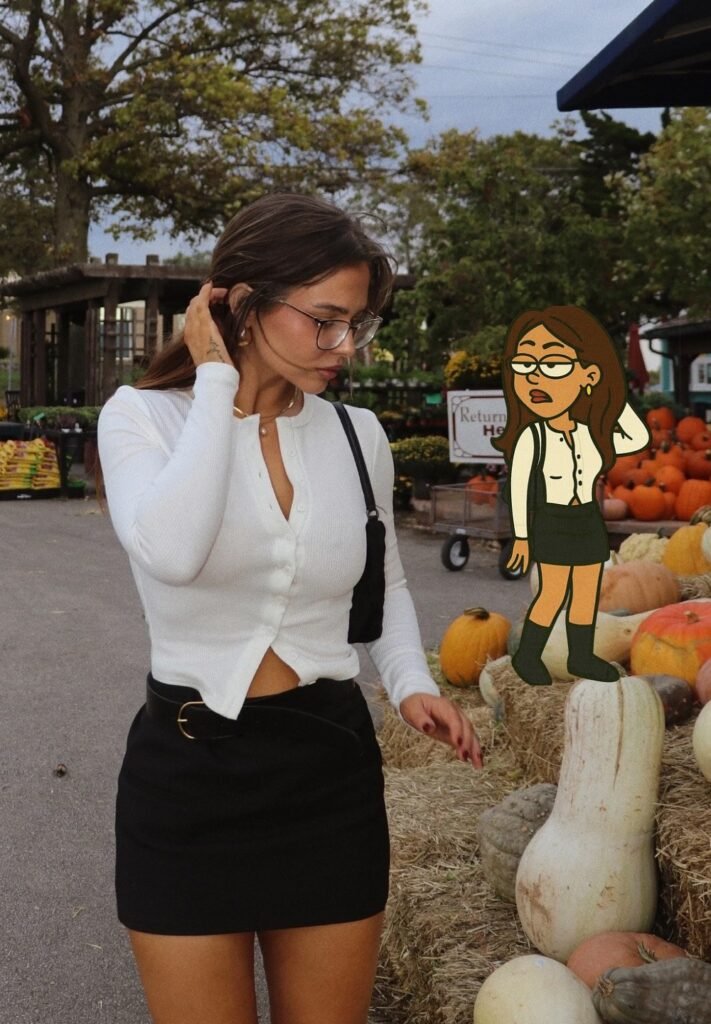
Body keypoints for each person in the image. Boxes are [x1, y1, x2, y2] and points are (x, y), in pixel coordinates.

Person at [97, 192, 482, 1024]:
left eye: (358, 325)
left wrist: (412, 682)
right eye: (325, 320)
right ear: (240, 301)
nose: (346, 346)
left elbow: (387, 586)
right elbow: (172, 550)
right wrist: (217, 385)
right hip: (189, 778)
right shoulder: (143, 420)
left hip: (327, 774)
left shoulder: (358, 435)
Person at [493, 305, 650, 686]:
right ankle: (529, 654)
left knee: (585, 594)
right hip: (553, 518)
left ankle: (581, 656)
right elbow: (519, 487)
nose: (535, 377)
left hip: (585, 520)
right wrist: (523, 536)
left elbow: (637, 437)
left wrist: (613, 396)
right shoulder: (534, 436)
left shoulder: (589, 431)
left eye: (554, 365)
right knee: (551, 593)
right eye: (525, 364)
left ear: (588, 375)